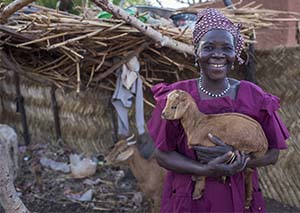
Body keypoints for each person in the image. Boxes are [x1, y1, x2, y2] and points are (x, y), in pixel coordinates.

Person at [147, 8, 289, 213]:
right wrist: (205, 170)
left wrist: (239, 160)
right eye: (209, 47)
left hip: (238, 198)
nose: (218, 54)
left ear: (235, 53)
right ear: (197, 51)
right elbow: (162, 155)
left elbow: (273, 153)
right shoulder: (177, 96)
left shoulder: (253, 96)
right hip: (189, 199)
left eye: (226, 48)